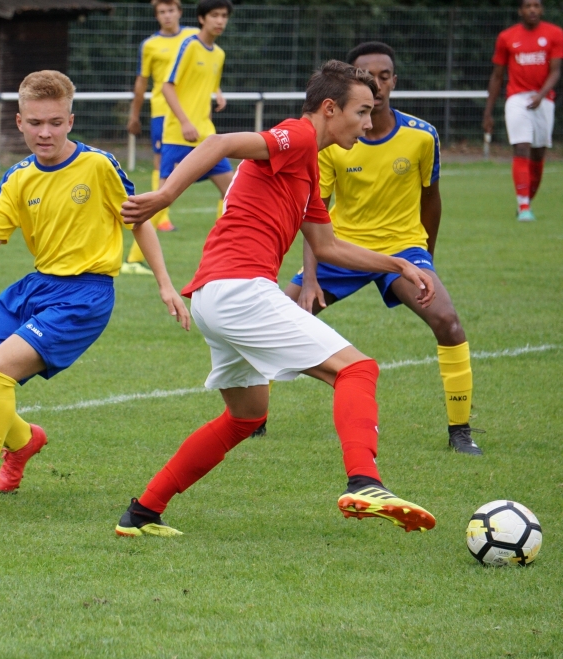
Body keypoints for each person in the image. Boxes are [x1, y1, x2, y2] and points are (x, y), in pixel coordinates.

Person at [115, 61, 438, 538]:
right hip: (240, 291)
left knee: (245, 416)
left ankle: (141, 513)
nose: (369, 124)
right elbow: (218, 144)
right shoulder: (299, 137)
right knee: (357, 370)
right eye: (362, 112)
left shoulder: (307, 170)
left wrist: (399, 264)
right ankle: (365, 483)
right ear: (330, 109)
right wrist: (164, 196)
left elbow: (327, 246)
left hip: (214, 296)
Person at [0, 70, 191, 522]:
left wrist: (165, 283)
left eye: (55, 122)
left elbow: (139, 220)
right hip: (34, 288)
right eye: (35, 123)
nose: (45, 132)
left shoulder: (98, 166)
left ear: (70, 121)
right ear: (19, 122)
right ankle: (23, 441)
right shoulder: (17, 178)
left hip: (85, 295)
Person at [283, 42, 482, 456]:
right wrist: (310, 279)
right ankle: (254, 418)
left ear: (394, 81)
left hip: (402, 250)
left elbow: (432, 200)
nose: (377, 83)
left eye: (384, 76)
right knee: (279, 317)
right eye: (367, 76)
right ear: (350, 83)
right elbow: (313, 211)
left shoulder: (422, 136)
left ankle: (461, 431)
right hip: (341, 249)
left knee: (448, 322)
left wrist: (425, 259)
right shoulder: (334, 141)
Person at [122, 0, 200, 276]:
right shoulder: (150, 45)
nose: (167, 16)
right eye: (162, 12)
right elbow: (142, 82)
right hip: (162, 115)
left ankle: (161, 216)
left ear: (180, 12)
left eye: (171, 10)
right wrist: (134, 115)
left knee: (217, 173)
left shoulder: (193, 37)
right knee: (162, 168)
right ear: (157, 16)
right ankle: (158, 217)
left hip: (192, 115)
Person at [153, 0, 234, 241]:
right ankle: (134, 257)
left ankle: (223, 248)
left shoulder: (219, 54)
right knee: (160, 200)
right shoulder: (189, 45)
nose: (220, 21)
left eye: (224, 16)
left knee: (233, 193)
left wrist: (218, 93)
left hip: (206, 136)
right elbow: (167, 86)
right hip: (178, 136)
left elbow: (207, 84)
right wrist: (185, 122)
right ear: (201, 18)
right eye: (214, 15)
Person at [483, 0, 562, 222]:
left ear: (542, 9)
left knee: (538, 155)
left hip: (544, 100)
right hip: (517, 99)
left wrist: (541, 95)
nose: (532, 10)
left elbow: (556, 71)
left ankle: (526, 201)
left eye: (536, 5)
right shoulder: (507, 37)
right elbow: (497, 75)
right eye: (528, 6)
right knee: (521, 147)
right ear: (520, 10)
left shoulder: (555, 34)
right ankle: (524, 205)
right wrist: (488, 112)